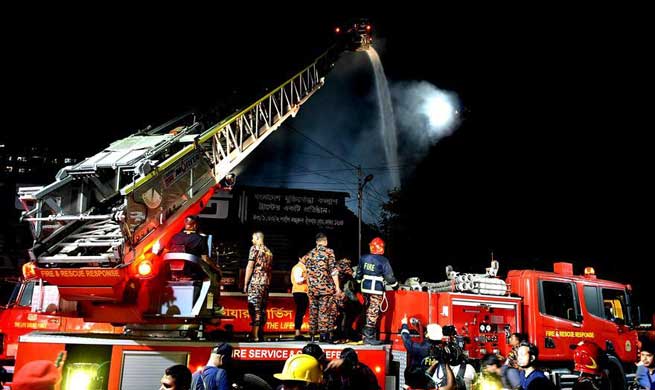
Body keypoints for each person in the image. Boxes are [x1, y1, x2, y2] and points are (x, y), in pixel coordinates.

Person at [169, 215, 223, 316]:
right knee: (214, 275)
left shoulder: (175, 237)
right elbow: (205, 259)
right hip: (193, 275)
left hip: (175, 275)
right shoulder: (200, 239)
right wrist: (217, 268)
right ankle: (214, 305)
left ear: (185, 224)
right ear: (195, 226)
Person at [355, 237, 398, 344]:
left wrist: (359, 283)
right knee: (373, 312)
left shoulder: (363, 258)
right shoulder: (383, 260)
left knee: (366, 310)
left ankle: (364, 335)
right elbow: (390, 277)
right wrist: (396, 286)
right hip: (376, 290)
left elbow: (358, 274)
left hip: (365, 289)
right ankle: (369, 337)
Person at [301, 232, 340, 342]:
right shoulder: (329, 252)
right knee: (324, 311)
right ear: (326, 242)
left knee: (313, 311)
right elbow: (333, 271)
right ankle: (323, 335)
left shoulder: (309, 254)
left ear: (316, 242)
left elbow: (305, 269)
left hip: (312, 288)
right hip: (325, 288)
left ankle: (312, 335)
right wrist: (337, 287)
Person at [243, 231, 273, 341]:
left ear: (257, 238)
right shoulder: (268, 251)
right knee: (262, 309)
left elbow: (250, 266)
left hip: (256, 282)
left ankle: (254, 335)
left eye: (253, 238)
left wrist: (245, 283)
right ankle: (261, 333)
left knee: (254, 308)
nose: (252, 240)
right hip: (266, 283)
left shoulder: (255, 249)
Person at [400, 315, 444, 387]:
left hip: (417, 381)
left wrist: (404, 324)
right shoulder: (443, 349)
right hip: (433, 382)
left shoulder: (420, 348)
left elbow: (406, 339)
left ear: (427, 334)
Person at [291, 256, 309, 341]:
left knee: (301, 312)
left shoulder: (304, 267)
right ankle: (297, 332)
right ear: (300, 258)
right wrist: (308, 276)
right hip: (299, 291)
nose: (307, 258)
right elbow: (298, 280)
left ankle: (298, 332)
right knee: (300, 312)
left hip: (304, 292)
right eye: (305, 257)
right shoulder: (298, 267)